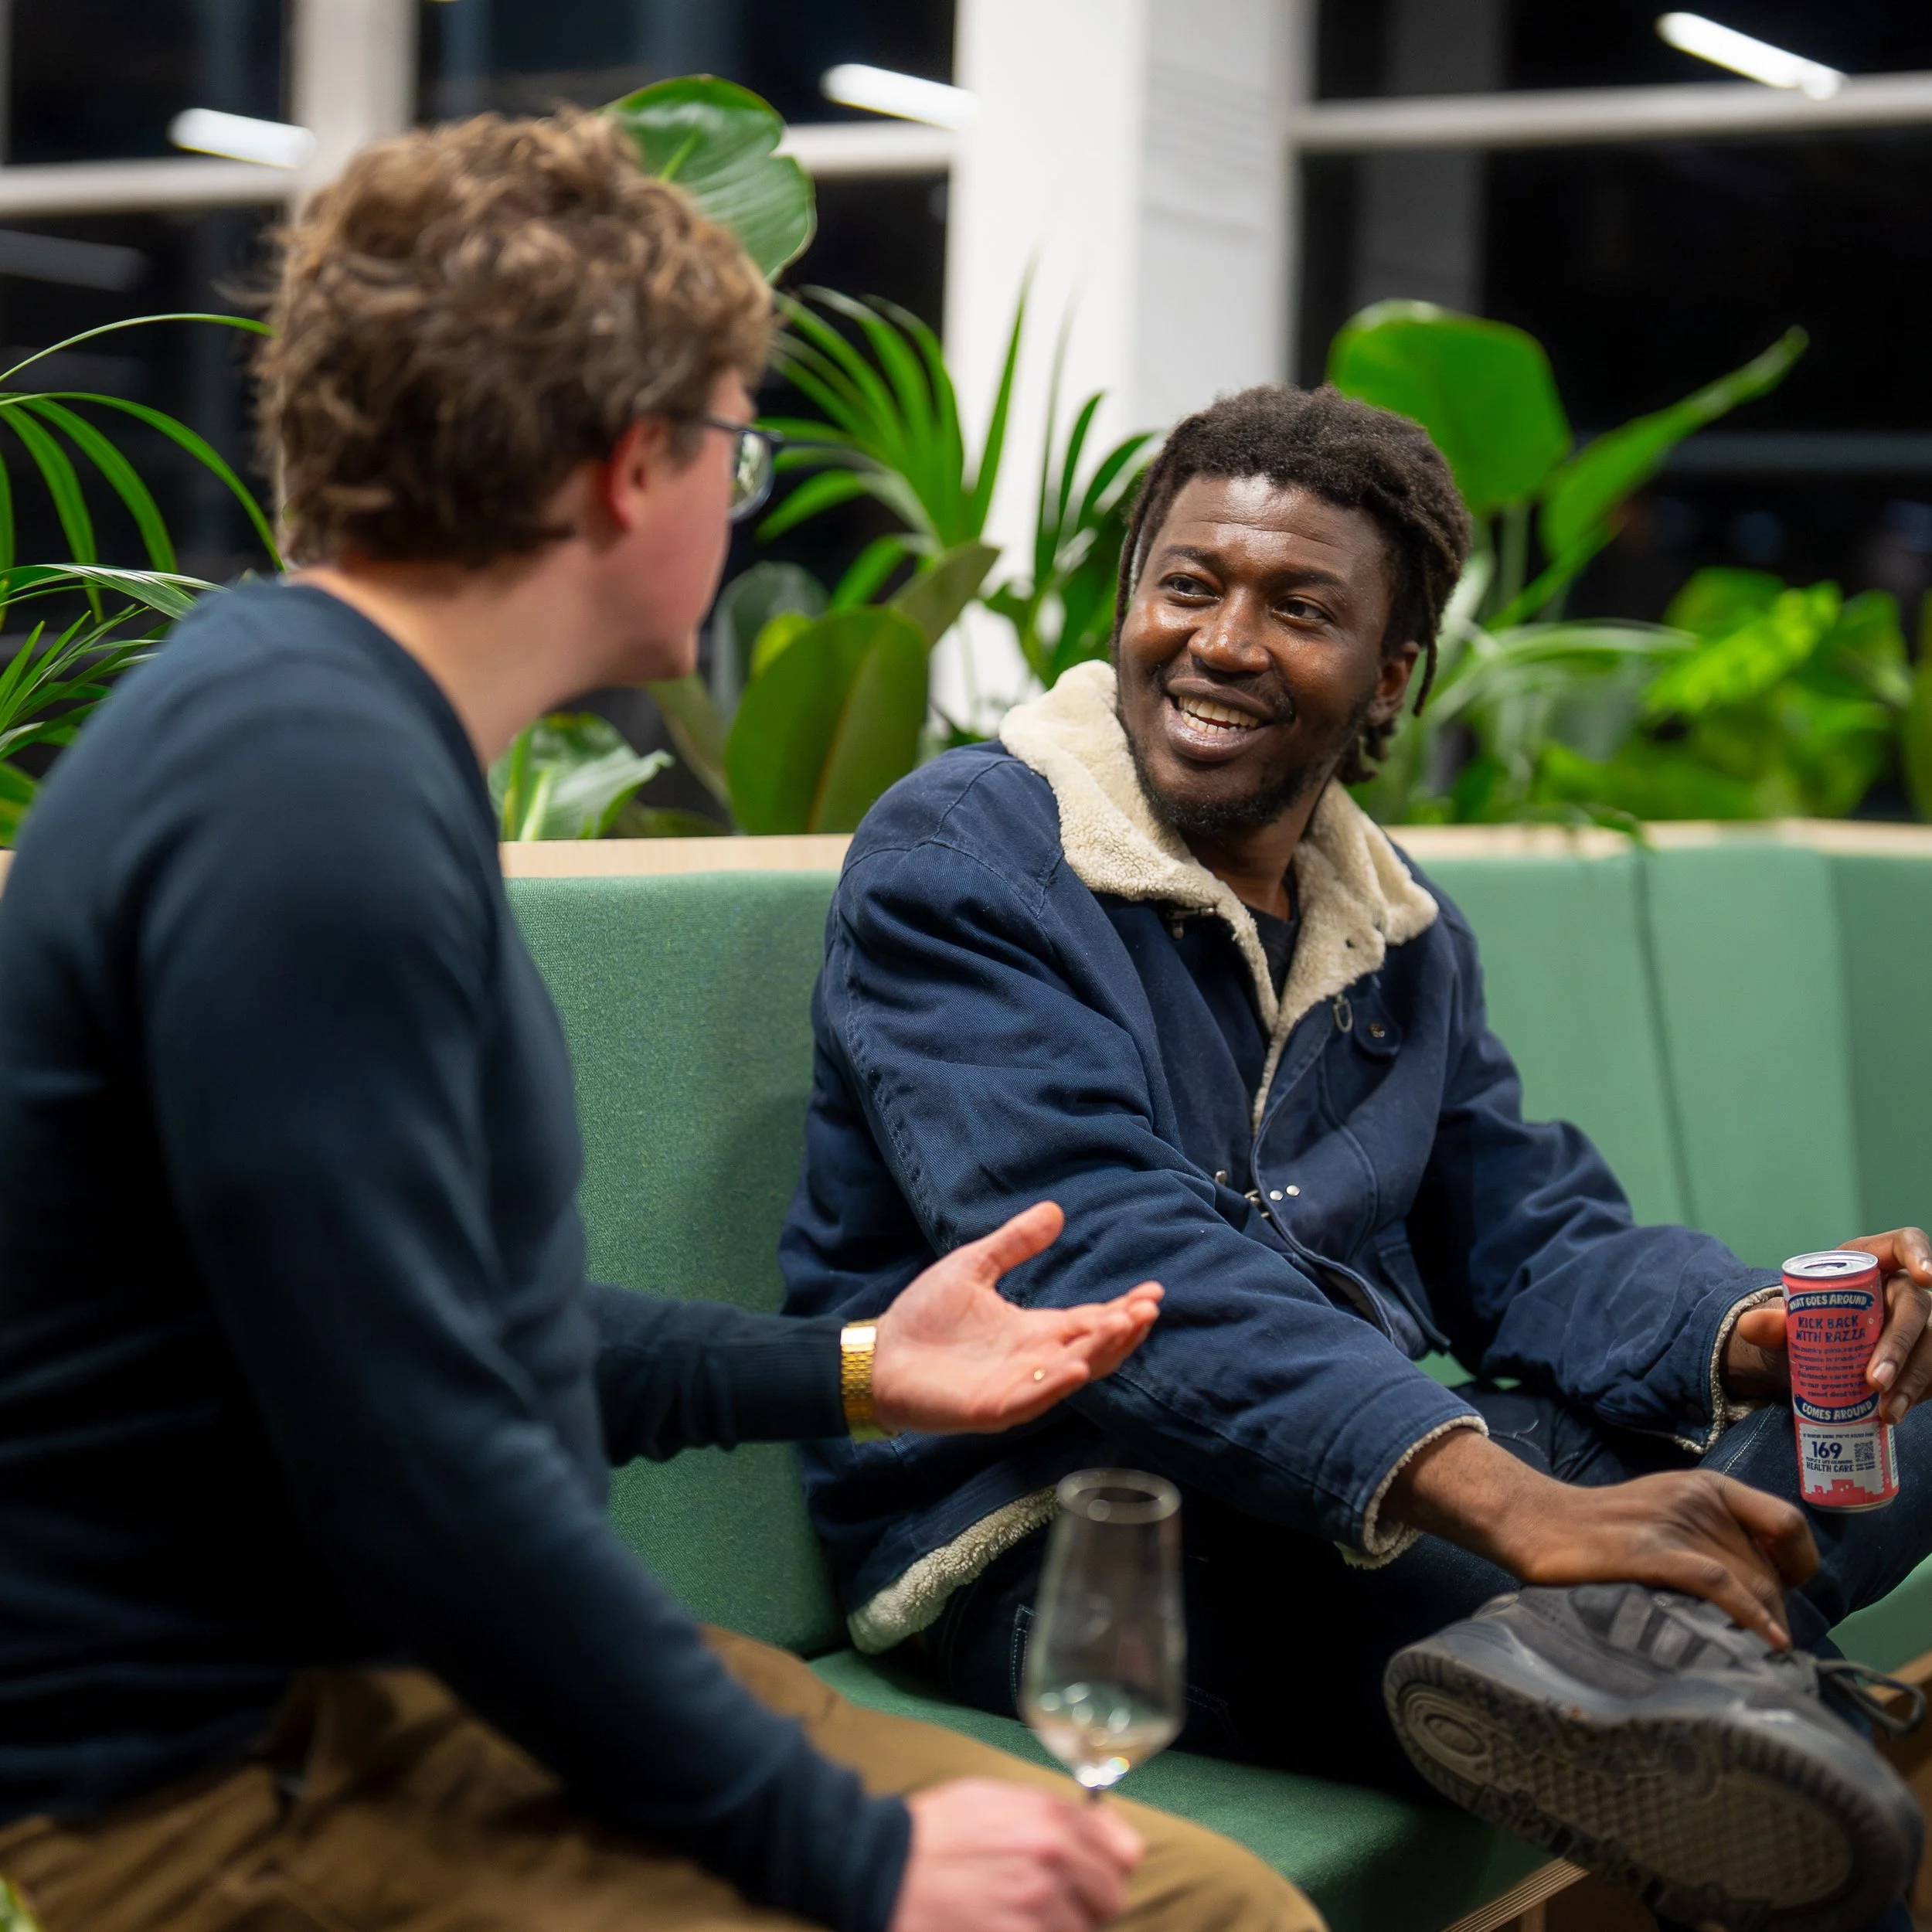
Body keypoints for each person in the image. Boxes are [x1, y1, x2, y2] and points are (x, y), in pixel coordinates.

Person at [0, 117, 1321, 1932]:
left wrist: (856, 1365)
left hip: (404, 1695)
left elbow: (452, 1332)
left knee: (1188, 1896)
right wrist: (846, 1851)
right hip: (244, 1784)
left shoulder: (331, 737)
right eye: (735, 441)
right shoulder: (299, 799)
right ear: (635, 467)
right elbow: (417, 1459)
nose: (735, 488)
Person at [779, 383, 1932, 1931]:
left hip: (1360, 1466)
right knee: (1670, 1668)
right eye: (1187, 584)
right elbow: (1109, 1262)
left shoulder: (1395, 934)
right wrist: (1509, 1502)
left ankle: (1674, 1683)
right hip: (1058, 1525)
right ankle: (1718, 1701)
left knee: (1900, 1395)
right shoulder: (963, 862)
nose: (1223, 640)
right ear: (1129, 606)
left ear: (1388, 675)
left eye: (1298, 607)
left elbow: (1528, 1235)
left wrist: (1750, 1332)